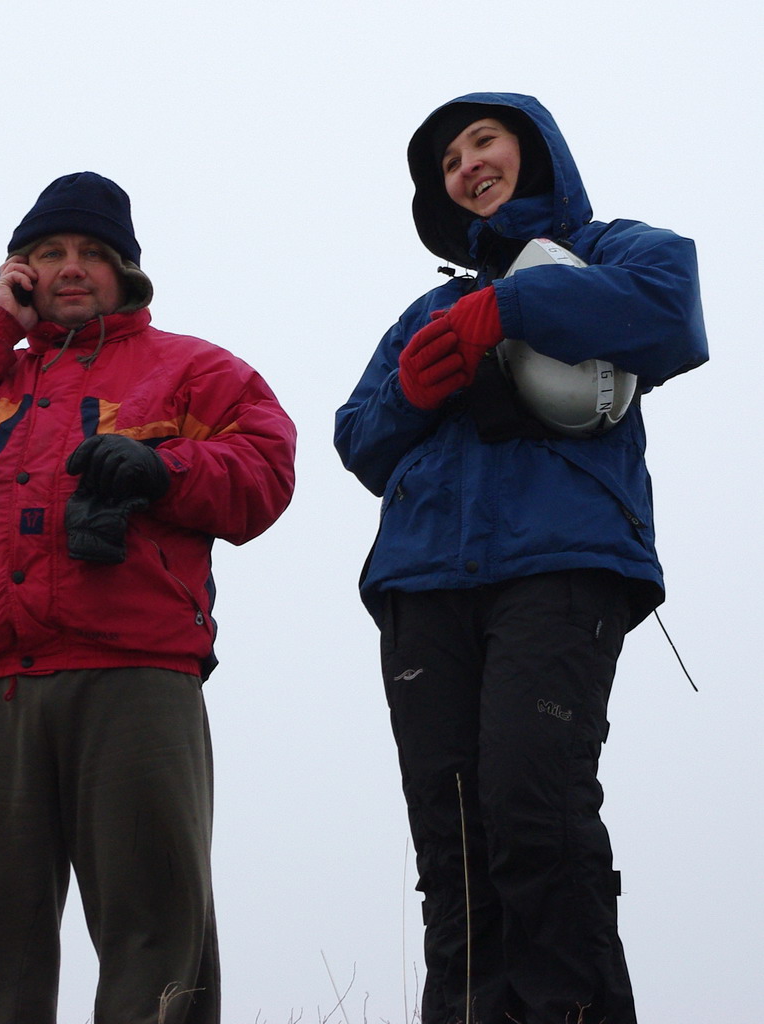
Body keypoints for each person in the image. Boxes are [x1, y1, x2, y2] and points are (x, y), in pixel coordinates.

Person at [0, 171, 297, 1024]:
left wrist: (163, 470)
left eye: (93, 253)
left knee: (156, 932)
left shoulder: (193, 367)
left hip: (137, 675)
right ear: (20, 269)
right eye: (50, 252)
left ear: (126, 271)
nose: (71, 267)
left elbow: (266, 471)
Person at [334, 94, 707, 1024]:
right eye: (449, 161)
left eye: (483, 141)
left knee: (533, 805)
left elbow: (672, 311)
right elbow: (358, 437)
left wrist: (510, 306)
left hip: (560, 565)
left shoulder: (615, 249)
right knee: (450, 840)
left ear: (533, 151)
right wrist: (413, 390)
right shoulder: (427, 309)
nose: (467, 165)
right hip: (423, 583)